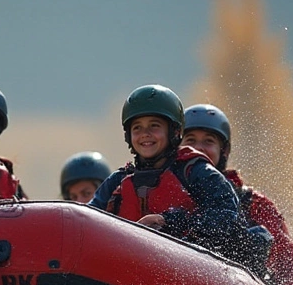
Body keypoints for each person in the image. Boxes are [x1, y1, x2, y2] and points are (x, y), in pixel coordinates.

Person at [88, 85, 271, 267]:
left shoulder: (197, 172)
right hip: (132, 269)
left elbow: (228, 216)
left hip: (193, 268)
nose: (145, 134)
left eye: (154, 126)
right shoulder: (117, 181)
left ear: (174, 132)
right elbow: (88, 219)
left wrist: (170, 222)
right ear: (129, 136)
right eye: (137, 128)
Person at [181, 103, 293, 285]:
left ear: (223, 151)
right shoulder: (163, 189)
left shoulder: (252, 203)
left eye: (208, 141)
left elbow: (287, 263)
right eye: (190, 140)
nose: (199, 148)